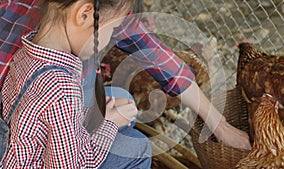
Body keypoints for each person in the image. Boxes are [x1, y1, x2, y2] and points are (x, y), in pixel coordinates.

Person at [0, 0, 251, 167]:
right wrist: (109, 125)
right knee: (139, 148)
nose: (113, 36)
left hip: (21, 138)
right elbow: (72, 164)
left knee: (123, 100)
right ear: (85, 13)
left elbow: (156, 55)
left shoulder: (28, 49)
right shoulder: (61, 88)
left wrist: (220, 124)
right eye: (114, 27)